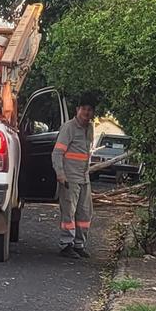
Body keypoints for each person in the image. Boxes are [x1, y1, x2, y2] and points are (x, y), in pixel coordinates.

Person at [53, 92, 100, 255]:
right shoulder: (69, 128)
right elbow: (57, 153)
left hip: (84, 177)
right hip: (70, 178)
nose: (87, 113)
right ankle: (66, 244)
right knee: (69, 213)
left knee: (85, 212)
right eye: (84, 109)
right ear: (77, 109)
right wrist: (60, 174)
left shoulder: (90, 128)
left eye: (90, 110)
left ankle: (79, 244)